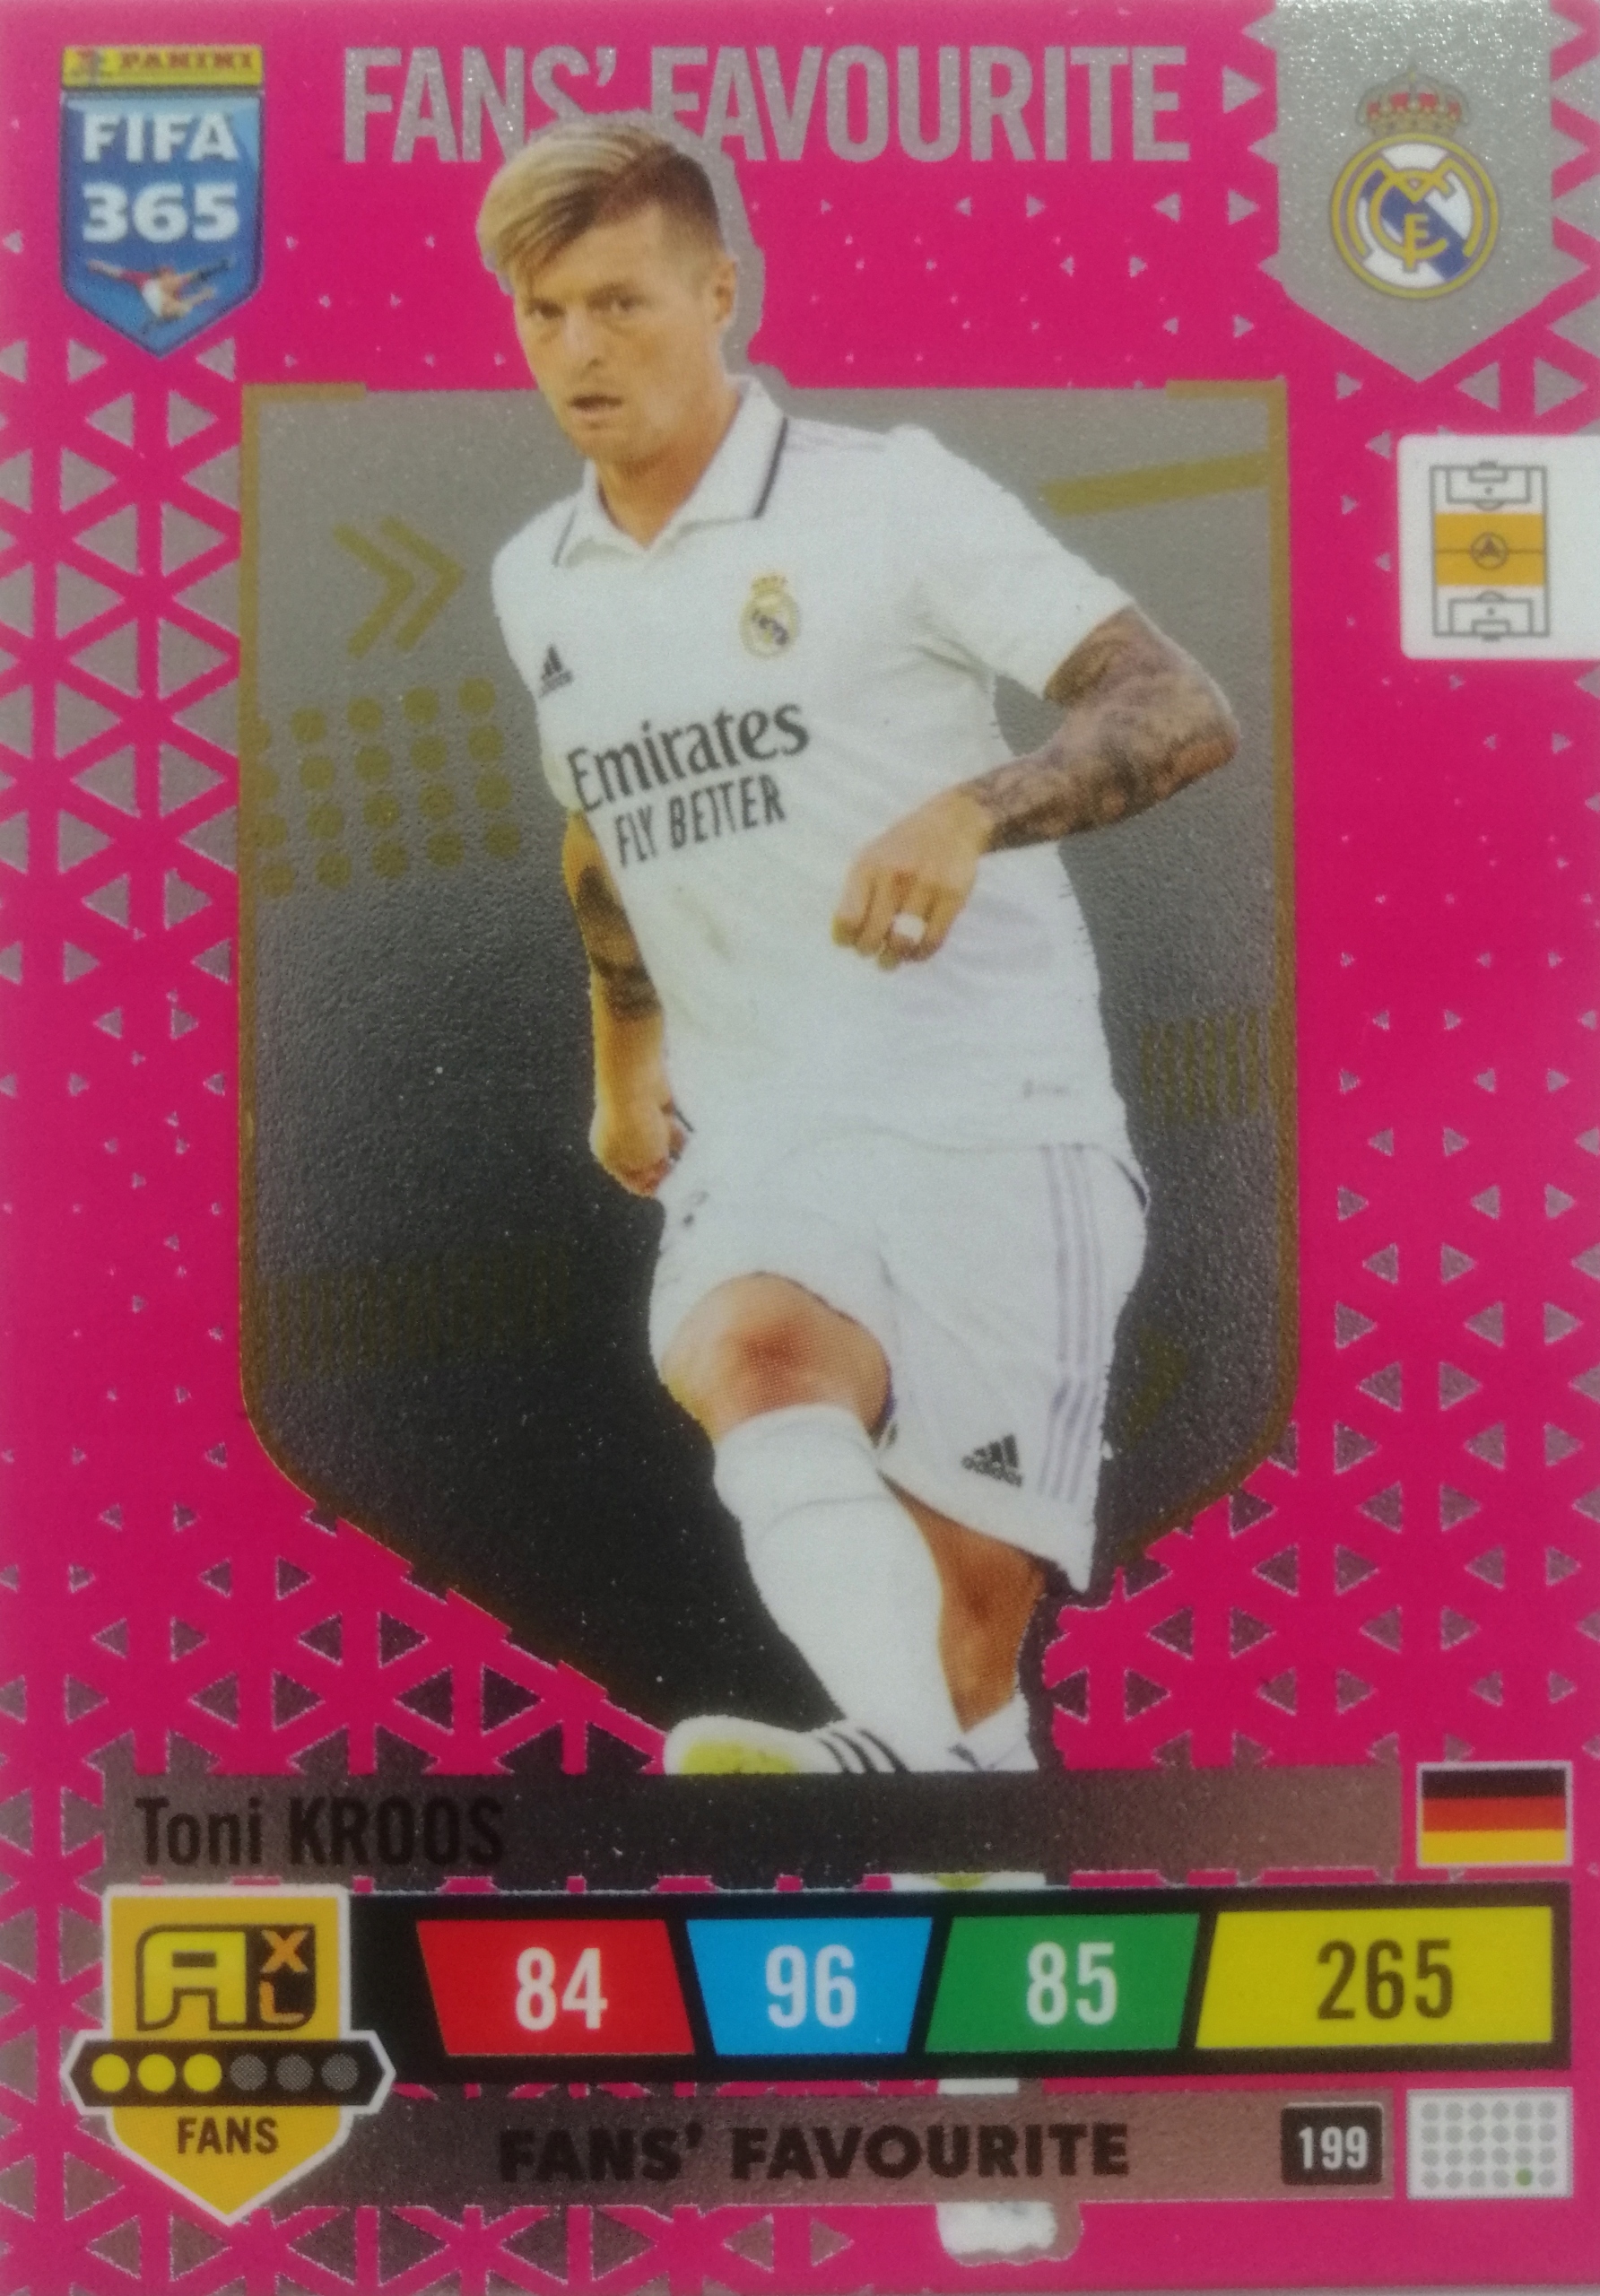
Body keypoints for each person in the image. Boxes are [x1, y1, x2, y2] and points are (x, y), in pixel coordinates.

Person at [479, 119, 1237, 1776]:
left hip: (993, 1117)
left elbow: (1176, 705)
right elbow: (603, 840)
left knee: (963, 1665)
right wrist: (626, 1071)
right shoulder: (538, 579)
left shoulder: (887, 497)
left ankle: (917, 1795)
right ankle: (887, 1763)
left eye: (619, 303)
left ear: (719, 295)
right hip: (767, 1125)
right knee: (751, 1356)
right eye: (543, 313)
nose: (578, 351)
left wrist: (971, 809)